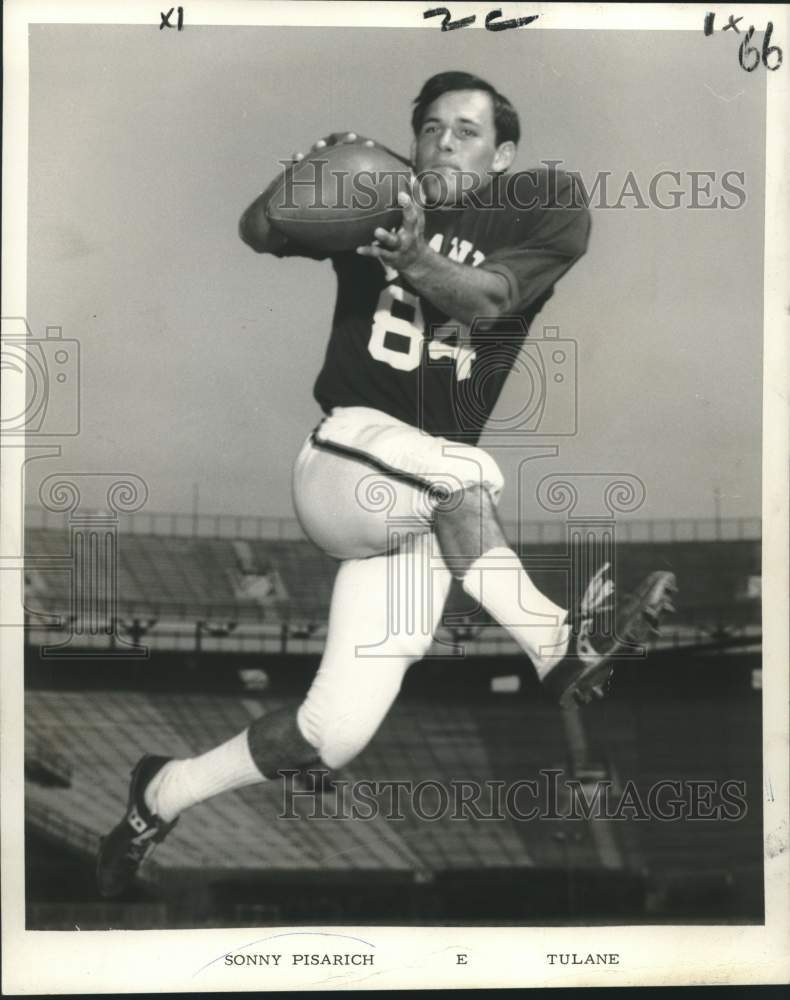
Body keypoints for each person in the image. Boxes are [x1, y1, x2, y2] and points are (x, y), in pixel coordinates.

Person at [97, 71, 676, 897]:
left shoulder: (543, 208)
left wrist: (417, 258)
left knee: (330, 734)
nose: (444, 141)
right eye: (431, 127)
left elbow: (484, 300)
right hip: (346, 461)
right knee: (465, 469)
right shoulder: (378, 194)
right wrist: (289, 187)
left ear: (505, 152)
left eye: (468, 130)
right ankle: (557, 642)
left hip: (422, 507)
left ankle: (160, 792)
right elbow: (258, 230)